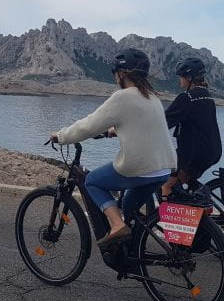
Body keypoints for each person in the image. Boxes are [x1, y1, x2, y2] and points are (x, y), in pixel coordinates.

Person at [51, 48, 176, 247]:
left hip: (140, 169)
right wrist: (114, 130)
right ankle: (132, 250)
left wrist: (61, 136)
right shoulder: (152, 97)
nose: (115, 77)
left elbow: (88, 125)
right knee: (128, 207)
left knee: (92, 181)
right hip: (162, 171)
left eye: (114, 72)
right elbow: (141, 124)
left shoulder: (123, 97)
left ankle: (117, 225)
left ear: (122, 73)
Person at [161, 56, 222, 197]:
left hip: (193, 154)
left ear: (189, 78)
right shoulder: (208, 96)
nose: (179, 80)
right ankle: (193, 206)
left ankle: (165, 218)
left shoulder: (187, 98)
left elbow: (163, 122)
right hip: (212, 151)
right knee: (181, 182)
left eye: (181, 77)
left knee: (165, 185)